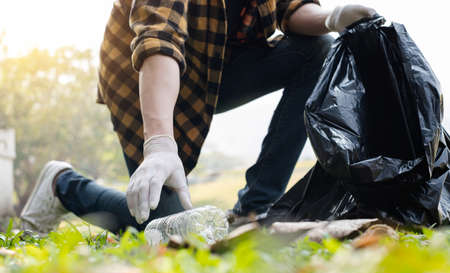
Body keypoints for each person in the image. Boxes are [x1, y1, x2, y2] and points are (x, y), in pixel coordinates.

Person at [20, 1, 376, 234]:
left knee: (319, 51)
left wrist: (331, 18)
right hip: (144, 79)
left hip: (215, 68)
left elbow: (289, 7)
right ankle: (63, 184)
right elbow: (159, 37)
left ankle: (252, 210)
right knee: (172, 227)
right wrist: (159, 143)